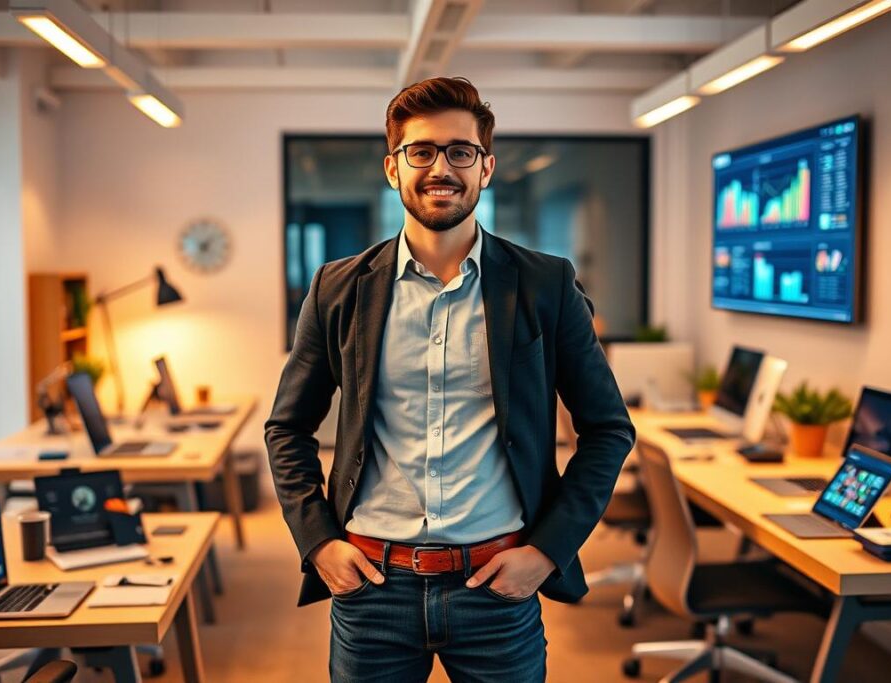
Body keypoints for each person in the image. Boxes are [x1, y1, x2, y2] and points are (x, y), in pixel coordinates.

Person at [265, 76, 635, 682]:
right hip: (372, 589)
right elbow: (287, 428)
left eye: (460, 151)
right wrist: (319, 543)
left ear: (486, 167)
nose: (442, 167)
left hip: (497, 586)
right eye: (422, 151)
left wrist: (546, 552)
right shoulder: (337, 288)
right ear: (393, 168)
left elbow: (608, 430)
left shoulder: (544, 285)